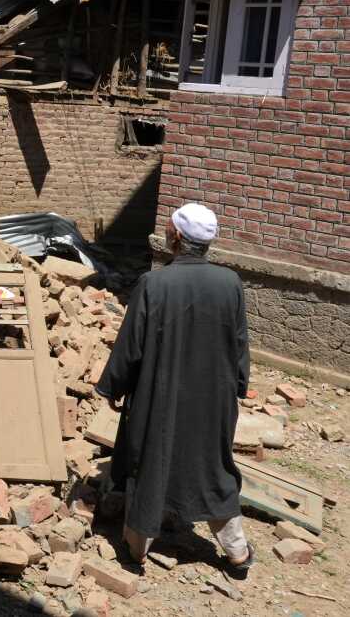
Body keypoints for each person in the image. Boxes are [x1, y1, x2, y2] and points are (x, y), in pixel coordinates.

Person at [96, 203, 254, 574]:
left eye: (169, 228)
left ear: (177, 238)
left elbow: (130, 346)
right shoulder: (230, 282)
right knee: (212, 467)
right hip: (213, 399)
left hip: (159, 397)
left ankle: (136, 549)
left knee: (152, 461)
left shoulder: (154, 283)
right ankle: (237, 553)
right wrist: (239, 387)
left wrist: (111, 387)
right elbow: (239, 343)